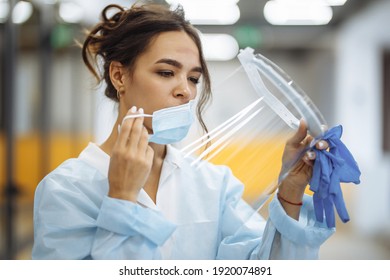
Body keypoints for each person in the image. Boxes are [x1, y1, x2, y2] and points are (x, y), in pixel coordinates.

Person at [32, 2, 334, 260]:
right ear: (119, 75)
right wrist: (122, 198)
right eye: (166, 72)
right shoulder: (66, 190)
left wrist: (291, 191)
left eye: (193, 78)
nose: (186, 92)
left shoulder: (213, 185)